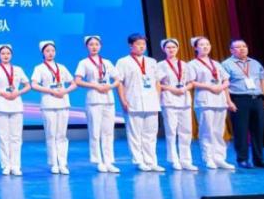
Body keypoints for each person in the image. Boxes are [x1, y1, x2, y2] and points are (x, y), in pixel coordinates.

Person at [116, 34, 165, 172]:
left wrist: (157, 98)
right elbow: (119, 83)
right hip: (133, 101)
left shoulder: (152, 61)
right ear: (130, 45)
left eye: (143, 44)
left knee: (151, 133)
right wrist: (123, 100)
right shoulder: (123, 62)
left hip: (151, 102)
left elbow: (157, 82)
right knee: (135, 134)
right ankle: (139, 161)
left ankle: (151, 161)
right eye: (138, 44)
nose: (141, 46)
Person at [74, 35, 122, 173]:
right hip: (94, 100)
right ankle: (98, 161)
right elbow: (78, 81)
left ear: (100, 46)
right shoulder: (84, 63)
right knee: (95, 131)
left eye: (96, 44)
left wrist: (110, 86)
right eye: (91, 44)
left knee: (108, 131)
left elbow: (118, 79)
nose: (94, 47)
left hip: (108, 99)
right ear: (87, 47)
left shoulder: (107, 62)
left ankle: (109, 161)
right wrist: (95, 85)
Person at [224, 39, 264, 169]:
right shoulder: (226, 64)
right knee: (241, 131)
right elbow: (224, 85)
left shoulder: (255, 63)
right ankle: (242, 159)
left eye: (244, 46)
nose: (242, 49)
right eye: (238, 47)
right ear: (231, 50)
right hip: (239, 100)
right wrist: (228, 101)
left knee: (258, 130)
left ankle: (259, 159)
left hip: (257, 99)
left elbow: (262, 81)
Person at [188, 36, 235, 170]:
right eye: (202, 45)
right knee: (207, 130)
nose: (205, 47)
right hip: (205, 100)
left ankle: (220, 158)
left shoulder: (216, 64)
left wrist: (222, 87)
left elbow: (226, 80)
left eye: (207, 44)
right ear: (195, 48)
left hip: (219, 100)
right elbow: (191, 82)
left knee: (219, 131)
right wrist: (209, 87)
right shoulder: (192, 64)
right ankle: (208, 158)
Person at [0, 44, 31, 176]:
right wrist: (1, 93)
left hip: (16, 104)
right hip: (1, 104)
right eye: (3, 53)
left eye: (8, 53)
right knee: (3, 137)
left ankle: (16, 166)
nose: (6, 56)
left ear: (11, 55)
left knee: (16, 137)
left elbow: (28, 85)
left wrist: (18, 92)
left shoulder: (18, 69)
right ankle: (6, 165)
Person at [31, 41, 75, 175]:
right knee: (51, 134)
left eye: (52, 51)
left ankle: (63, 163)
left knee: (62, 134)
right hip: (48, 104)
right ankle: (54, 163)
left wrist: (65, 91)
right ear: (43, 53)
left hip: (63, 103)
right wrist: (50, 91)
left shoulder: (61, 67)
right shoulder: (39, 68)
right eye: (47, 51)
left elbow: (74, 83)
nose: (50, 53)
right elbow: (34, 85)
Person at [155, 38, 197, 171]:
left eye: (173, 47)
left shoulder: (185, 64)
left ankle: (186, 160)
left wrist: (185, 88)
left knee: (186, 131)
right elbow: (157, 83)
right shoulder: (160, 65)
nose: (171, 49)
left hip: (184, 100)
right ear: (164, 49)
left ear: (177, 48)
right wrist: (171, 89)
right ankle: (174, 160)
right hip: (169, 100)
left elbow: (191, 82)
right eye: (168, 47)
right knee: (171, 131)